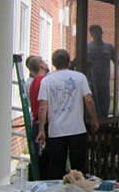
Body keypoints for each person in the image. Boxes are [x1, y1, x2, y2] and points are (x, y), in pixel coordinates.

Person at [36, 49, 99, 179]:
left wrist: (41, 129)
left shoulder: (46, 81)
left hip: (56, 131)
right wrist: (94, 120)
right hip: (77, 130)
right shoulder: (80, 77)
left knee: (56, 167)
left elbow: (43, 107)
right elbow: (89, 100)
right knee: (78, 169)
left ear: (54, 63)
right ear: (69, 61)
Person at [28, 56, 50, 178]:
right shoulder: (44, 81)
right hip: (43, 123)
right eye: (45, 62)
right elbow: (43, 106)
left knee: (37, 158)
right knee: (45, 161)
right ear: (41, 65)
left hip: (36, 122)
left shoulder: (33, 82)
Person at [87, 24, 115, 118]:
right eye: (93, 32)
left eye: (97, 31)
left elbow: (116, 61)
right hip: (91, 83)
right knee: (92, 105)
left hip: (104, 83)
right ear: (91, 34)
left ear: (101, 32)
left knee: (104, 106)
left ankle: (104, 125)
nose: (96, 34)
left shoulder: (109, 48)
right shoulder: (87, 47)